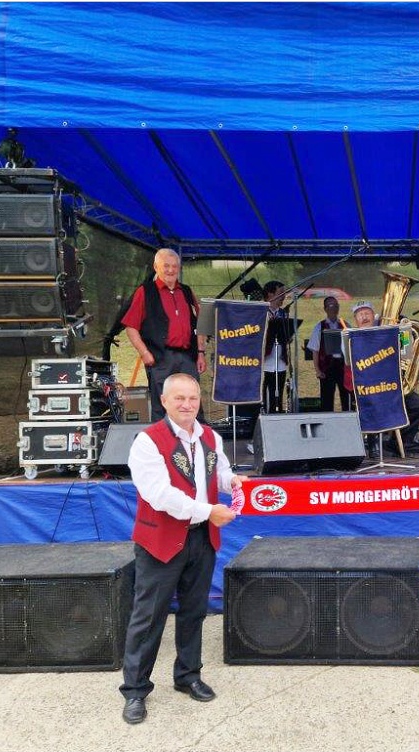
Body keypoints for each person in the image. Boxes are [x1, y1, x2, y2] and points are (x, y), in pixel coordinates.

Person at [119, 372, 247, 725]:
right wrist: (209, 511)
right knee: (149, 617)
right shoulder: (147, 441)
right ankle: (135, 690)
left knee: (193, 611)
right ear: (164, 401)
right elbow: (160, 495)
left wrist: (233, 481)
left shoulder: (210, 436)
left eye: (192, 398)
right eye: (179, 398)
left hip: (201, 538)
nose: (187, 405)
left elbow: (217, 474)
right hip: (160, 539)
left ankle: (188, 675)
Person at [122, 248, 206, 422]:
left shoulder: (186, 291)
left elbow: (201, 324)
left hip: (188, 357)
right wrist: (144, 353)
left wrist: (200, 353)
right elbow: (131, 327)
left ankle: (196, 438)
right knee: (162, 406)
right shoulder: (145, 292)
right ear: (156, 267)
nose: (170, 270)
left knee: (192, 404)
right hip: (160, 357)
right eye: (166, 266)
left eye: (174, 266)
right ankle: (163, 439)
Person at [347, 300, 419, 450]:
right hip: (368, 388)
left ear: (374, 316)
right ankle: (373, 444)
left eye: (367, 313)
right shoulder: (351, 337)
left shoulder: (386, 333)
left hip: (391, 385)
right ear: (355, 319)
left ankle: (398, 443)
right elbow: (348, 362)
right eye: (360, 314)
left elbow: (406, 353)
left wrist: (404, 331)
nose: (364, 317)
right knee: (374, 404)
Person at [306, 296, 352, 412]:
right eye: (331, 305)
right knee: (327, 399)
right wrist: (317, 370)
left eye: (336, 305)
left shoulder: (345, 325)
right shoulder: (319, 327)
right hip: (327, 367)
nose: (335, 308)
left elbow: (352, 346)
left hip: (343, 367)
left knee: (347, 398)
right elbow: (315, 350)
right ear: (325, 309)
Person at [261, 280, 289, 414]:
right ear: (270, 294)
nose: (283, 296)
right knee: (266, 392)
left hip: (280, 360)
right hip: (265, 361)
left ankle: (278, 412)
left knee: (279, 392)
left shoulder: (283, 314)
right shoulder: (261, 312)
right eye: (280, 293)